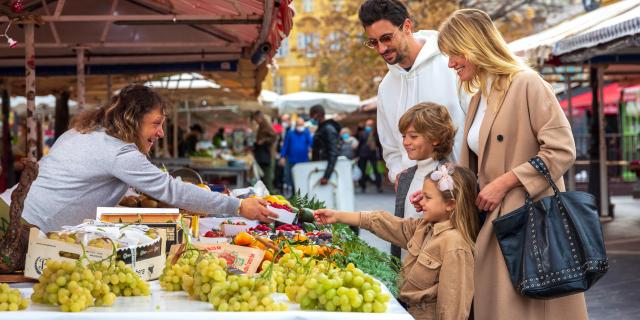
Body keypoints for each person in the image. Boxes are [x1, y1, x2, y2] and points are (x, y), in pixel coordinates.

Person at [437, 9, 585, 319]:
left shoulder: (527, 83)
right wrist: (439, 192)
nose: (450, 63)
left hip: (529, 222)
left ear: (475, 44)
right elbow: (475, 167)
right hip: (493, 220)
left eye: (454, 52)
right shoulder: (479, 97)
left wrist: (505, 182)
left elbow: (561, 149)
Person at [21, 84, 277, 232]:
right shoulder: (119, 152)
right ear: (131, 119)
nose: (161, 133)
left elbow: (73, 180)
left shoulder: (81, 132)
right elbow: (171, 191)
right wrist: (238, 206)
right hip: (21, 227)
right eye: (156, 123)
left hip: (12, 209)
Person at [314, 163, 479, 320]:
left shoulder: (454, 245)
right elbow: (383, 222)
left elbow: (453, 308)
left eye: (427, 198)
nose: (421, 202)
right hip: (406, 312)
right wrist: (337, 216)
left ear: (450, 204)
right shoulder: (424, 227)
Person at [358, 0, 469, 187]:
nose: (381, 49)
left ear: (407, 26)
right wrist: (398, 175)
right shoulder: (385, 88)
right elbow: (391, 149)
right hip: (415, 202)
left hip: (464, 191)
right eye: (373, 42)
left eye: (386, 38)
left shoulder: (451, 66)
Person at [390, 102, 457, 260]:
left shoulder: (448, 176)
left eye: (413, 136)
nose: (406, 142)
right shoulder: (404, 177)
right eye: (404, 136)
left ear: (435, 138)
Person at [309, 105, 341, 185]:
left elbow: (333, 152)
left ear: (317, 115)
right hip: (320, 167)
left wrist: (326, 176)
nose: (311, 118)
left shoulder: (328, 129)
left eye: (311, 115)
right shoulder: (321, 128)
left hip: (325, 169)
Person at [279, 117, 313, 193]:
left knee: (303, 178)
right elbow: (285, 146)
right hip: (292, 160)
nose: (300, 127)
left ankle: (303, 194)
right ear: (295, 125)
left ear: (304, 125)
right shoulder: (290, 133)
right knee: (292, 179)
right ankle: (294, 195)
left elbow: (311, 143)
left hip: (303, 161)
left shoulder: (306, 133)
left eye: (301, 125)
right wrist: (282, 156)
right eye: (298, 125)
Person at [251, 110, 277, 191]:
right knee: (264, 179)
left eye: (255, 119)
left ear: (259, 117)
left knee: (267, 180)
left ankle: (272, 198)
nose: (255, 121)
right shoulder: (262, 125)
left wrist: (263, 140)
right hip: (263, 155)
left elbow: (274, 137)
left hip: (267, 155)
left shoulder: (266, 125)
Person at [356, 119, 382, 193]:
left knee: (376, 170)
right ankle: (362, 186)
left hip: (372, 154)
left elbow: (379, 146)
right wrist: (357, 155)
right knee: (362, 170)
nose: (368, 126)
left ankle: (378, 186)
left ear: (373, 126)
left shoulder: (376, 134)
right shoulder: (363, 133)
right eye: (367, 125)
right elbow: (359, 145)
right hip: (363, 154)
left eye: (370, 125)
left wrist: (380, 156)